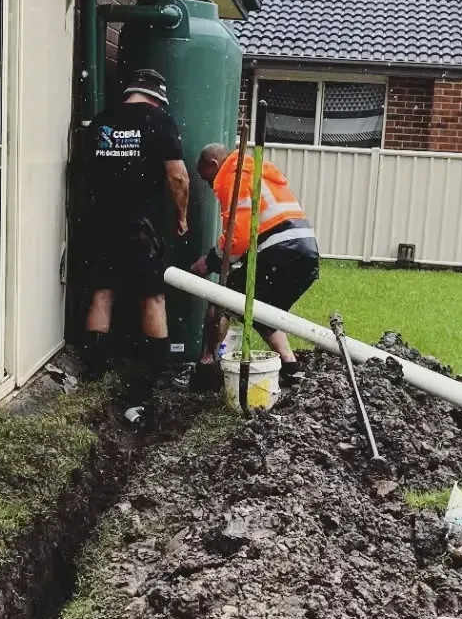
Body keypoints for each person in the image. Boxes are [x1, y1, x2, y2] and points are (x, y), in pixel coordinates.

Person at [81, 68, 191, 388]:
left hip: (101, 221)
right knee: (152, 297)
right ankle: (156, 371)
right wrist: (182, 216)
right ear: (158, 99)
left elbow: (85, 173)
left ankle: (95, 367)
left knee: (102, 292)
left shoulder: (102, 121)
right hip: (140, 226)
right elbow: (178, 177)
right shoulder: (160, 122)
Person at [191, 142, 319, 389]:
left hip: (281, 250)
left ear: (214, 165)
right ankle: (291, 368)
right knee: (261, 309)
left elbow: (236, 238)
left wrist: (210, 261)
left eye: (207, 179)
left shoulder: (232, 177)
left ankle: (207, 365)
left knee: (223, 299)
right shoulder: (257, 170)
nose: (210, 187)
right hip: (305, 254)